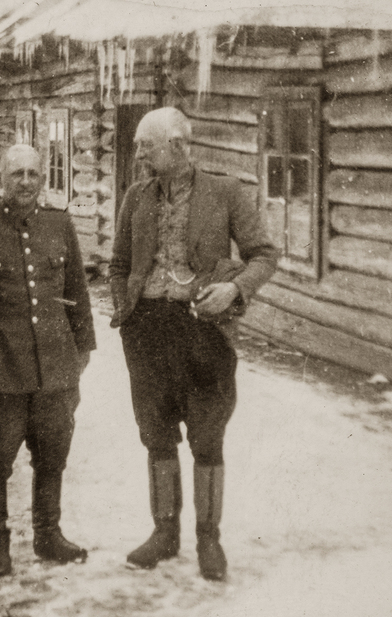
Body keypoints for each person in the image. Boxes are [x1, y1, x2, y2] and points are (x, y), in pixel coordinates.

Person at [109, 107, 279, 582]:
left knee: (207, 435)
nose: (138, 154)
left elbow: (264, 255)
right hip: (147, 332)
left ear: (178, 146)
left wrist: (235, 289)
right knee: (156, 432)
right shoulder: (136, 197)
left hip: (203, 332)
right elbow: (119, 263)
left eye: (146, 146)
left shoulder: (226, 192)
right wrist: (126, 308)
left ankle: (209, 538)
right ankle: (164, 533)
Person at [0, 144, 96, 577]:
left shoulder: (59, 223)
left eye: (34, 174)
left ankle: (48, 534)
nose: (26, 182)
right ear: (0, 179)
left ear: (42, 179)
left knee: (53, 454)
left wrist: (82, 347)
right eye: (16, 174)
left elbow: (76, 291)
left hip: (55, 367)